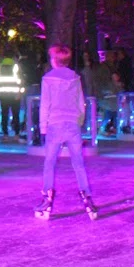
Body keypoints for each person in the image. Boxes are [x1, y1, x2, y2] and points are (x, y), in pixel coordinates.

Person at [35, 44, 97, 221]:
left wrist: (43, 127)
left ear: (54, 60)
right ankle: (87, 197)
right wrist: (78, 122)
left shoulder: (48, 79)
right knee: (78, 164)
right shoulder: (76, 78)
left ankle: (47, 199)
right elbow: (81, 104)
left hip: (55, 124)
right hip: (72, 126)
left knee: (49, 163)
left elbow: (45, 105)